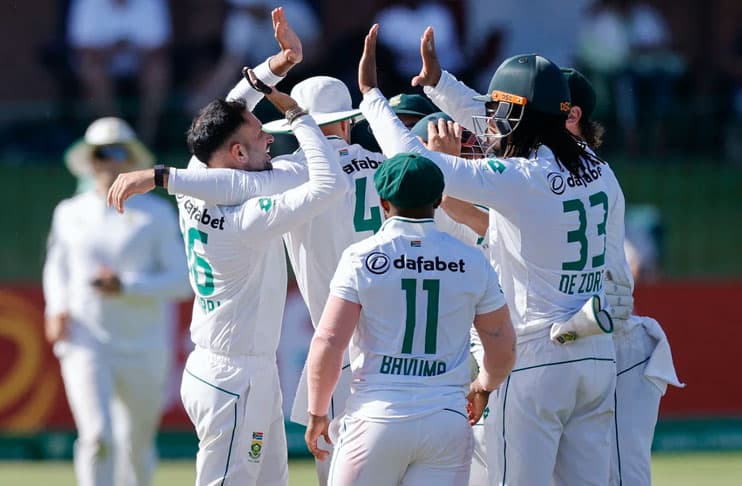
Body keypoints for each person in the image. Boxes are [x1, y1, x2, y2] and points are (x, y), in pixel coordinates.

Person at [110, 73, 480, 486]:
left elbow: (225, 160)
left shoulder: (277, 175)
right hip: (417, 353)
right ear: (348, 122)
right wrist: (448, 170)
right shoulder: (394, 173)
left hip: (335, 354)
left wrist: (162, 176)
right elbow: (470, 234)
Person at [359, 24, 623, 484]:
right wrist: (440, 84)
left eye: (501, 109)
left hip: (536, 358)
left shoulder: (521, 177)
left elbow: (416, 161)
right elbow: (508, 118)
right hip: (596, 357)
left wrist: (371, 97)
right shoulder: (600, 169)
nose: (491, 120)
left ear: (521, 116)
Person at [109, 8, 348, 485]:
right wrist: (298, 117)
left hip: (229, 369)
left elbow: (231, 110)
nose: (270, 140)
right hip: (236, 378)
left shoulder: (200, 174)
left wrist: (279, 64)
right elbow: (330, 185)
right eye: (261, 136)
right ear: (237, 153)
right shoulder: (247, 217)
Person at [303, 152, 516, 484]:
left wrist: (317, 412)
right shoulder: (472, 260)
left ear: (383, 202)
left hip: (376, 415)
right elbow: (503, 345)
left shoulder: (361, 257)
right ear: (438, 200)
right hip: (446, 419)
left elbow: (329, 341)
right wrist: (483, 386)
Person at [43, 116, 191, 486]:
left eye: (118, 152)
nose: (109, 161)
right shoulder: (69, 212)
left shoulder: (157, 214)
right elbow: (56, 268)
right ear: (89, 160)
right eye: (100, 153)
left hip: (145, 343)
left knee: (135, 443)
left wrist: (125, 285)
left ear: (132, 158)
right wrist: (56, 308)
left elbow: (181, 281)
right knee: (97, 437)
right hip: (86, 339)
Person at [562, 67, 683, 486]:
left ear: (572, 115)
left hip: (610, 339)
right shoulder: (571, 170)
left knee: (620, 472)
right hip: (574, 342)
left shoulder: (586, 171)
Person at [66, 0, 172, 145]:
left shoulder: (152, 3)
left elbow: (159, 48)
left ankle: (146, 139)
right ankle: (117, 137)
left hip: (140, 65)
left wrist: (126, 49)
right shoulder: (87, 3)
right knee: (92, 71)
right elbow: (83, 49)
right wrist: (116, 50)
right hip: (102, 65)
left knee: (158, 71)